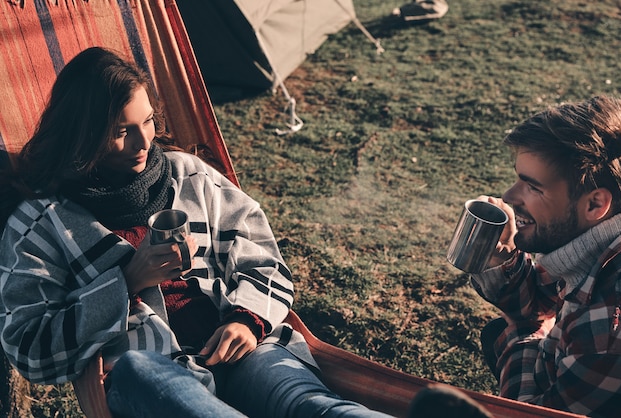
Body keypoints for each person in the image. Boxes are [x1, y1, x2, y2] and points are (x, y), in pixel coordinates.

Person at [0, 46, 394, 418]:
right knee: (145, 373)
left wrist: (247, 320)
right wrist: (127, 281)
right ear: (82, 133)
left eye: (149, 121)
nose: (143, 142)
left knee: (314, 407)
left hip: (241, 349)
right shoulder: (42, 222)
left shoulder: (190, 176)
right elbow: (30, 348)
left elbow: (265, 260)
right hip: (147, 369)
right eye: (123, 131)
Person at [472, 95, 621, 418]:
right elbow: (541, 297)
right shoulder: (592, 240)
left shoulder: (608, 324)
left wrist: (520, 332)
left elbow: (526, 414)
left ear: (595, 205)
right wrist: (504, 260)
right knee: (495, 334)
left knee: (503, 335)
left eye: (533, 187)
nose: (509, 196)